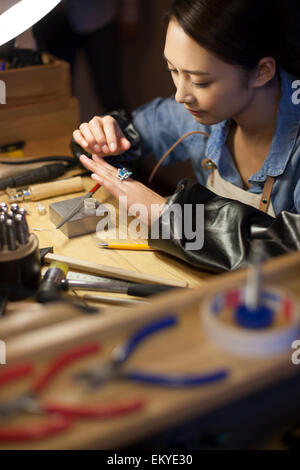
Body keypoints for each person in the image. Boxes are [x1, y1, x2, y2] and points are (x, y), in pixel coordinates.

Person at [73, 0, 300, 273]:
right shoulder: (194, 113)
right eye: (173, 70)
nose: (181, 95)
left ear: (262, 71)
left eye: (201, 82)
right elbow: (126, 136)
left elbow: (288, 250)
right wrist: (101, 136)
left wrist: (168, 214)